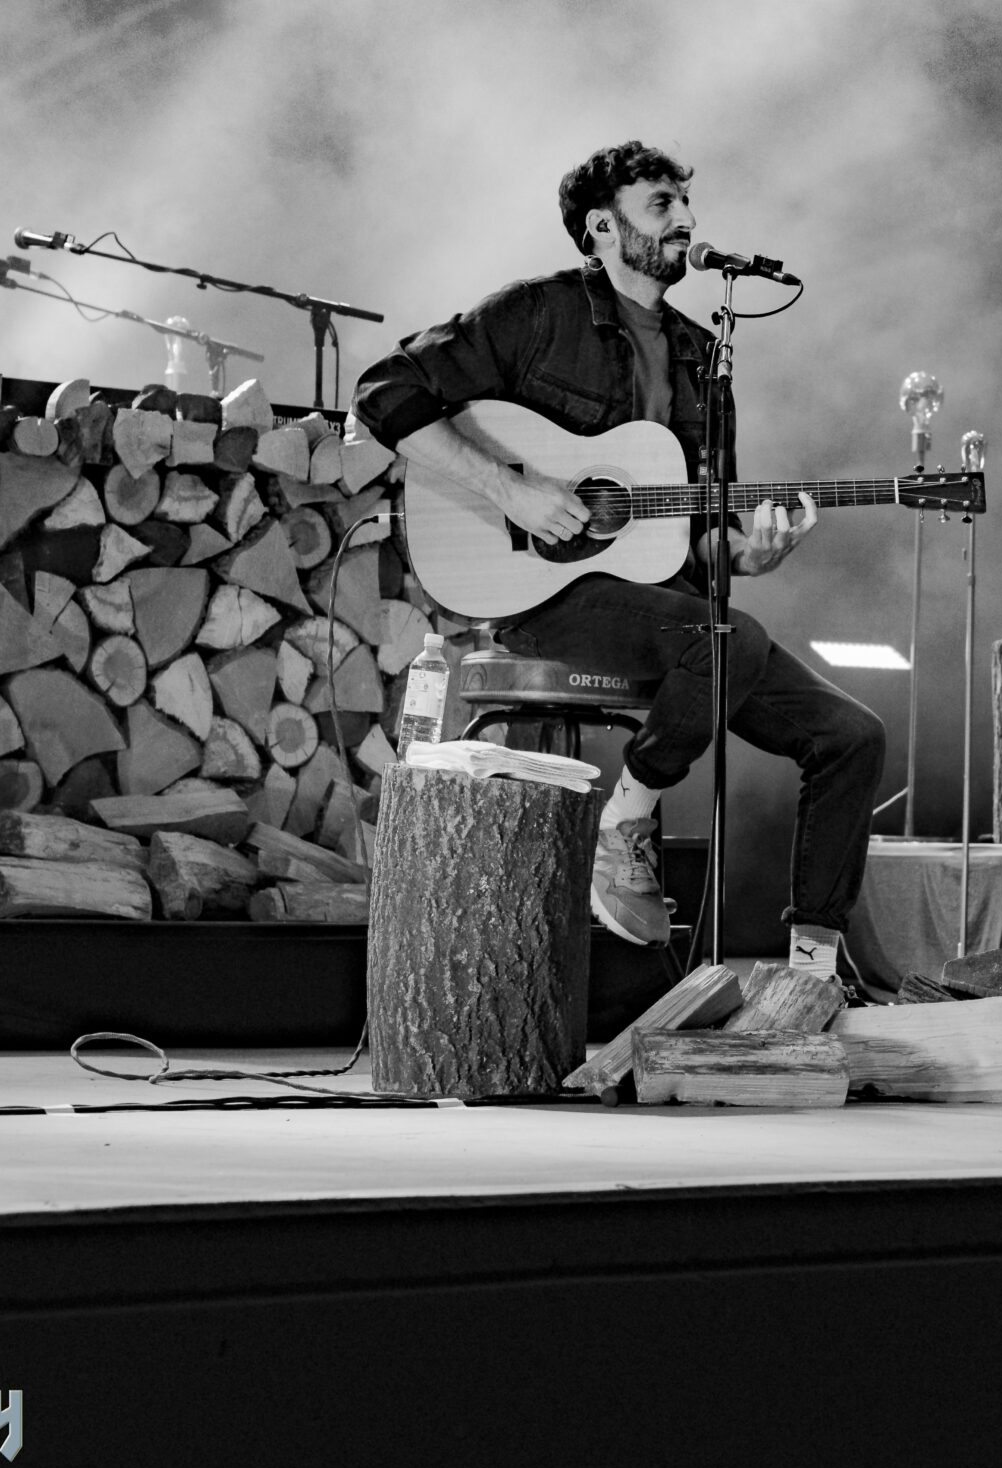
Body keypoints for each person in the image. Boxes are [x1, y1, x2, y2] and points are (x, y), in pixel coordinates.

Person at [352, 141, 884, 974]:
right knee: (724, 638)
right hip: (539, 598)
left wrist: (751, 554)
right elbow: (385, 391)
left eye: (685, 204)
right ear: (604, 228)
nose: (688, 222)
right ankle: (626, 818)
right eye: (663, 205)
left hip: (660, 604)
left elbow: (697, 531)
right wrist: (511, 491)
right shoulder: (537, 314)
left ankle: (813, 969)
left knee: (851, 735)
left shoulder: (703, 355)